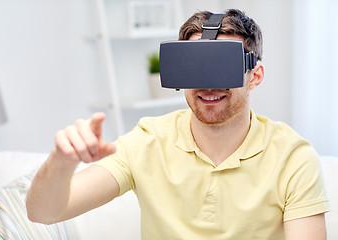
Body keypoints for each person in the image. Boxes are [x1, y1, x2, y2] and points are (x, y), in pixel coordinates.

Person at [26, 9, 329, 239]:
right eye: (195, 67)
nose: (208, 86)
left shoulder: (293, 157)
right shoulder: (147, 140)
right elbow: (42, 213)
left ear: (256, 76)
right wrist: (62, 161)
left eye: (221, 66)